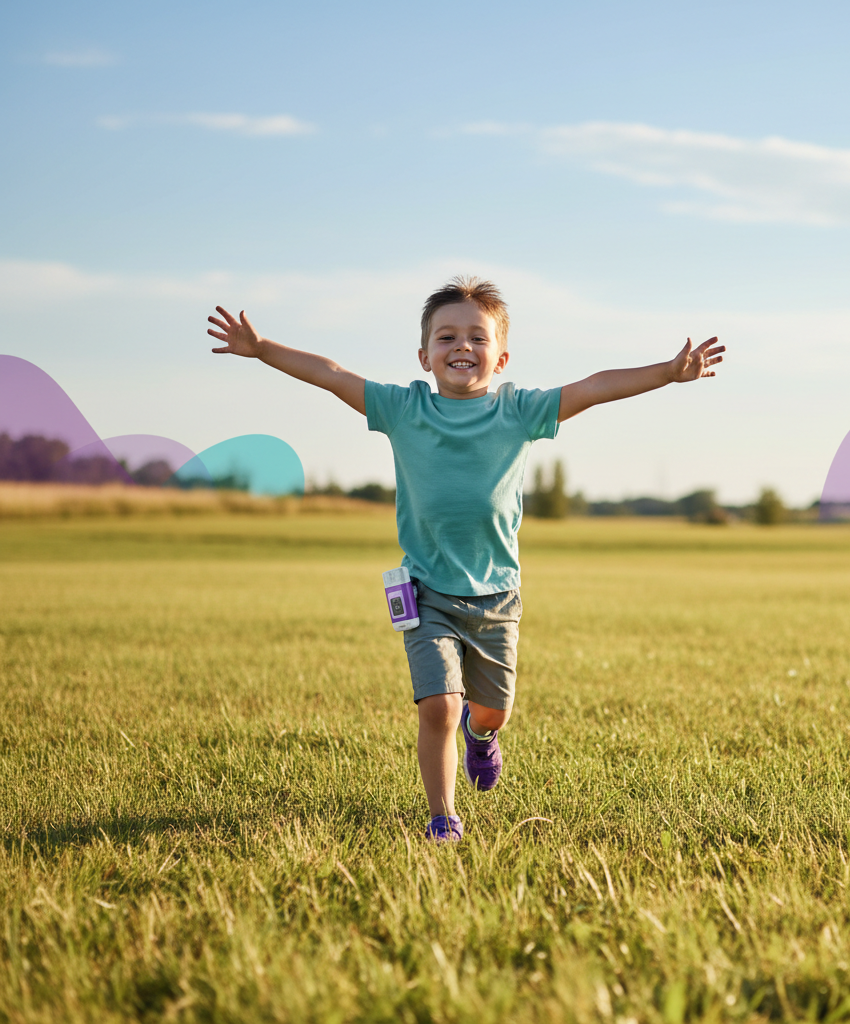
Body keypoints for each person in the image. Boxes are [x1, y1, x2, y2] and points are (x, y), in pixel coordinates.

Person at [207, 276, 724, 842]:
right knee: (440, 708)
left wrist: (666, 373)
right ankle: (443, 816)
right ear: (424, 355)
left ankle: (484, 739)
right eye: (446, 336)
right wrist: (262, 351)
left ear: (500, 357)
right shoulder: (403, 408)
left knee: (489, 711)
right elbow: (331, 375)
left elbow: (594, 386)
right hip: (427, 591)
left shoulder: (521, 412)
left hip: (497, 595)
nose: (461, 347)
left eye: (476, 338)